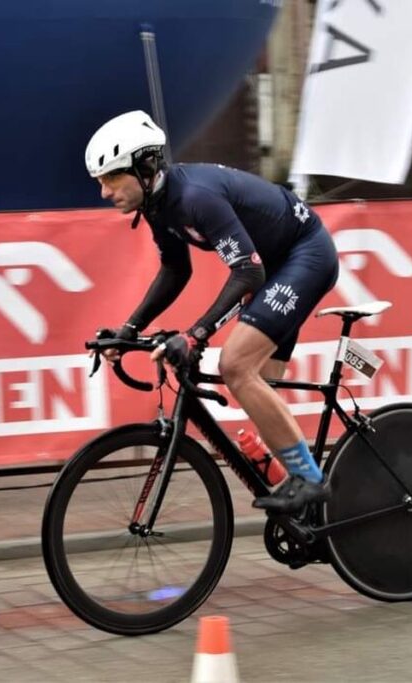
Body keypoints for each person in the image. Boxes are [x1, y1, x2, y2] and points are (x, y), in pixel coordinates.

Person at [86, 110, 339, 513]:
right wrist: (130, 328)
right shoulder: (158, 204)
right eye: (100, 181)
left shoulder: (193, 198)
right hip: (273, 264)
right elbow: (175, 269)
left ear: (146, 166)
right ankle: (299, 493)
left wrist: (196, 334)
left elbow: (249, 272)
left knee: (235, 366)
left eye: (112, 178)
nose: (104, 191)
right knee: (257, 384)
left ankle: (309, 481)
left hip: (303, 254)